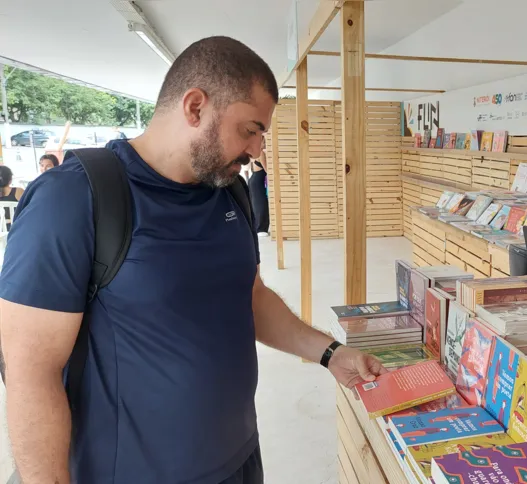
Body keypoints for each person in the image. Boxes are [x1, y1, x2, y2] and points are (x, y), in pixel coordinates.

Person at [0, 36, 385, 484]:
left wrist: (330, 354)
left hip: (239, 461)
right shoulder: (74, 197)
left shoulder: (230, 192)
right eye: (250, 129)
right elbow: (30, 370)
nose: (257, 150)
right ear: (195, 107)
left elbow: (251, 297)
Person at [248, 138, 270, 235]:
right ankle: (261, 229)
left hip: (254, 179)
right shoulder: (261, 153)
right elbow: (267, 170)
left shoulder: (254, 154)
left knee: (256, 203)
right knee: (261, 203)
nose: (265, 143)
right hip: (258, 181)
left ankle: (259, 227)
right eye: (263, 142)